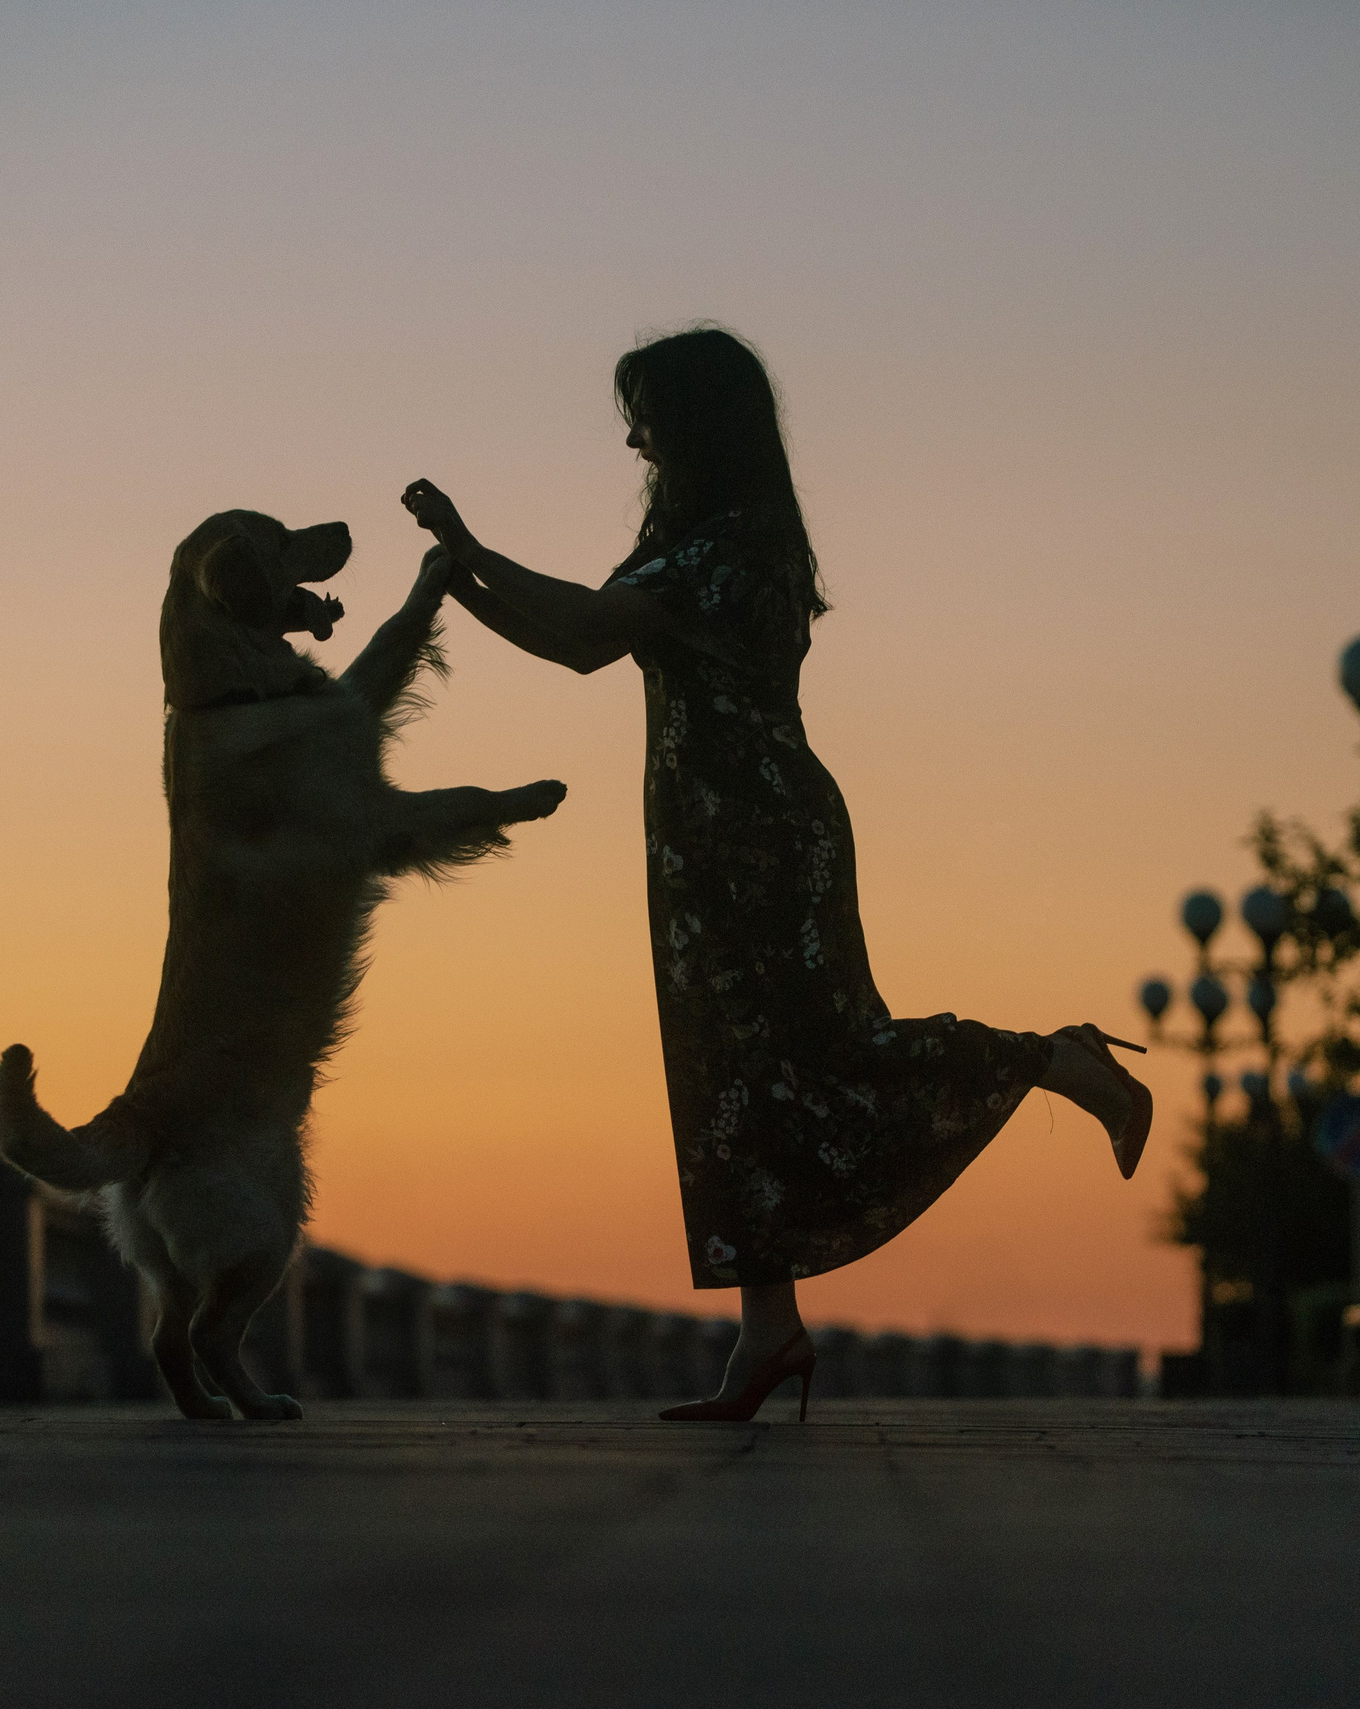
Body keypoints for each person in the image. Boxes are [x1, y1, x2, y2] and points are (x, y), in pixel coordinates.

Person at [401, 326, 1150, 1422]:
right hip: (705, 847)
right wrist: (454, 577)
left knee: (829, 1053)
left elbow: (580, 625)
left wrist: (464, 548)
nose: (631, 436)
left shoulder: (733, 546)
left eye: (646, 413)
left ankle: (1056, 1059)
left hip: (759, 837)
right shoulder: (697, 538)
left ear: (697, 421)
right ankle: (768, 1328)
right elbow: (576, 644)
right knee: (729, 1082)